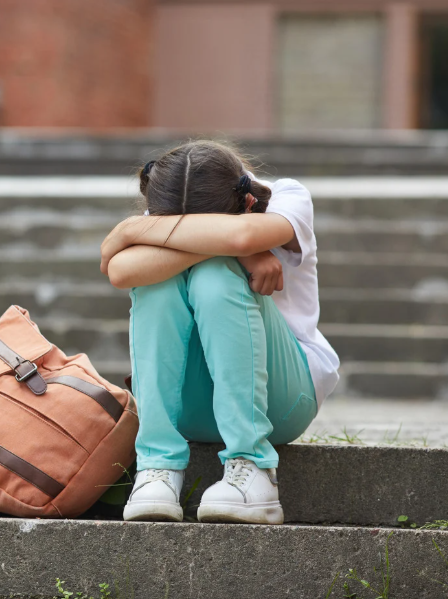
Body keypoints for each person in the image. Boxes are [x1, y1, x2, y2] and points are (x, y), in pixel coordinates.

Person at [100, 140, 340, 525]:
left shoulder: (287, 198)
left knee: (214, 274)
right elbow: (121, 272)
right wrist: (232, 246)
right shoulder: (171, 202)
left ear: (247, 205)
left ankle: (254, 467)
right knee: (154, 283)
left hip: (283, 400)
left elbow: (242, 238)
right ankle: (157, 468)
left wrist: (135, 230)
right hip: (193, 407)